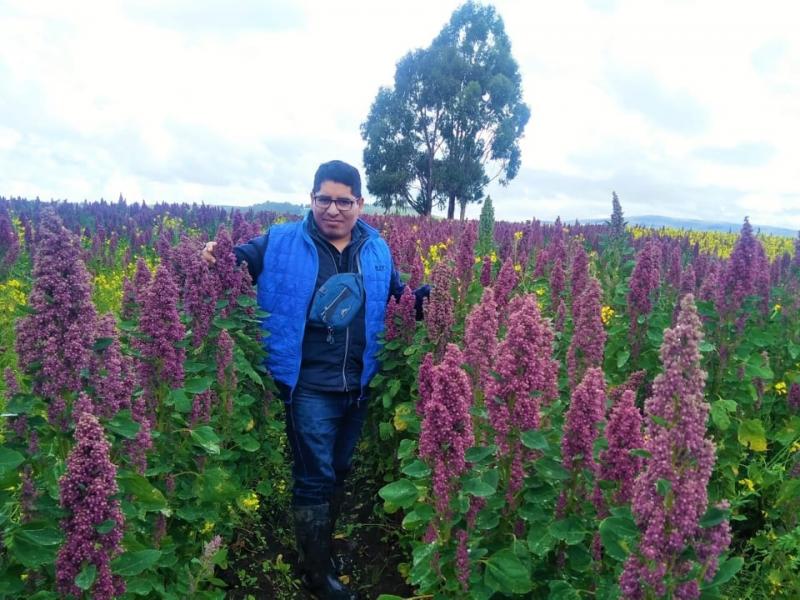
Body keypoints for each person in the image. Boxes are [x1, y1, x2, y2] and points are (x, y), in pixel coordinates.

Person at [202, 160, 427, 600]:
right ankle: (316, 576)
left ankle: (321, 552)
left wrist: (430, 298)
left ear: (360, 204)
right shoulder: (282, 241)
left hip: (357, 385)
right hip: (308, 385)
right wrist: (216, 254)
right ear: (311, 199)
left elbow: (396, 300)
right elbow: (239, 262)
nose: (333, 209)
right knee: (314, 477)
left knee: (338, 471)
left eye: (344, 201)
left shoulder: (376, 248)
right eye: (324, 198)